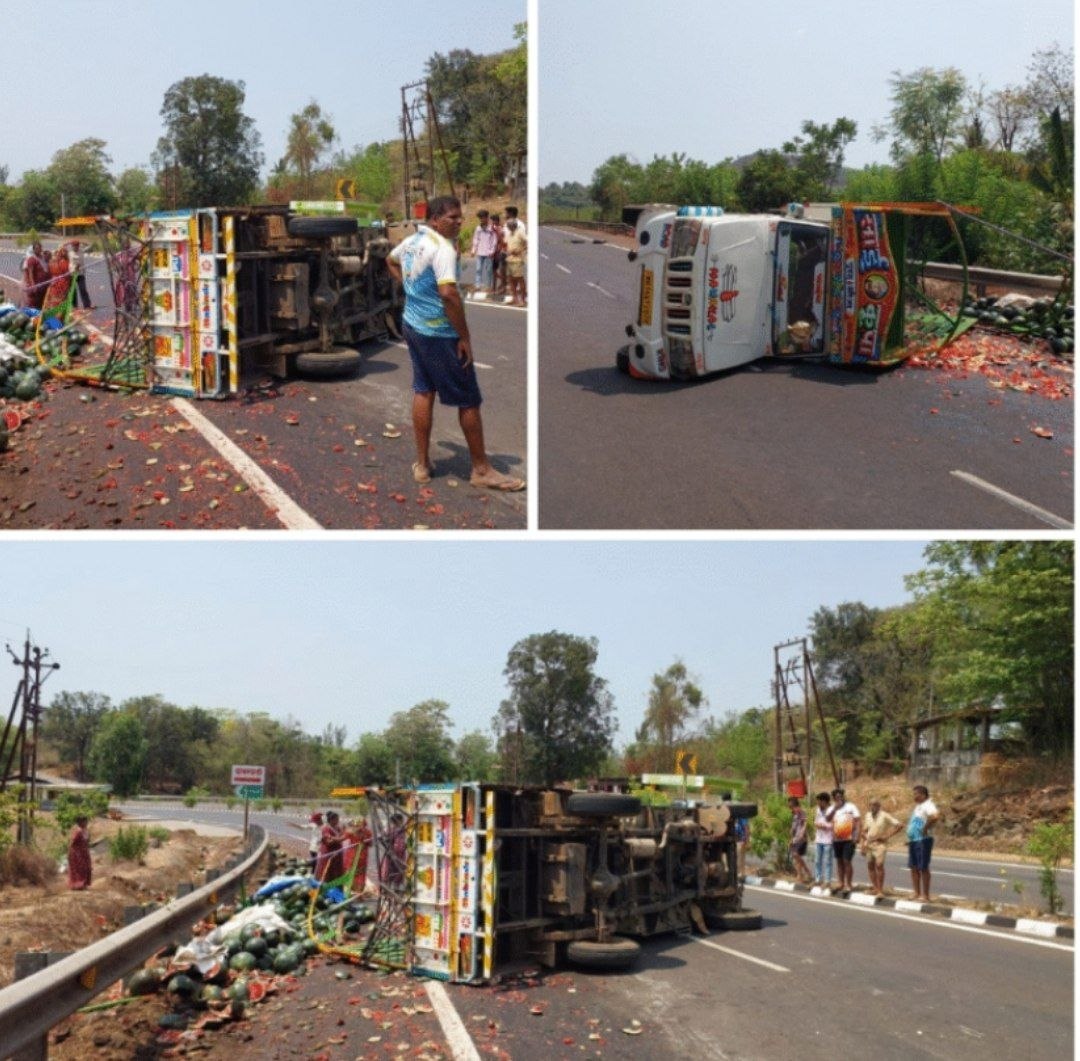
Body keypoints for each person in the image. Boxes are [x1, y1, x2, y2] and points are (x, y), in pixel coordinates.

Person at [386, 195, 525, 492]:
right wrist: (464, 337)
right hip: (439, 333)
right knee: (468, 399)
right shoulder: (441, 249)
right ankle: (481, 469)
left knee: (424, 390)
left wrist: (408, 289)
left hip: (412, 324)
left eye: (461, 217)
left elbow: (390, 259)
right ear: (436, 219)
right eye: (453, 217)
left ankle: (422, 465)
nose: (460, 221)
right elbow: (449, 294)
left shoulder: (412, 242)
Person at [860, 797, 902, 896]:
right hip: (869, 844)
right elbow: (864, 830)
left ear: (879, 806)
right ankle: (875, 888)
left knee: (879, 865)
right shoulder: (868, 815)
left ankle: (880, 890)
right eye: (870, 805)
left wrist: (887, 836)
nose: (872, 807)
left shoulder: (884, 815)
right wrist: (862, 844)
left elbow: (899, 825)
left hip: (880, 845)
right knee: (870, 866)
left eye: (875, 805)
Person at [907, 784, 940, 902]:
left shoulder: (928, 805)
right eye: (914, 794)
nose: (914, 796)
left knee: (923, 867)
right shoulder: (918, 807)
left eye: (916, 794)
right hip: (914, 841)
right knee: (913, 867)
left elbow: (935, 817)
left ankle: (925, 895)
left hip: (923, 840)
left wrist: (925, 828)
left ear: (923, 795)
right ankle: (916, 893)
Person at [826, 787, 860, 897]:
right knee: (839, 862)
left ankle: (848, 884)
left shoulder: (851, 807)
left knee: (847, 861)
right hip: (837, 840)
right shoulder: (832, 808)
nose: (839, 798)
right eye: (836, 797)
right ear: (834, 798)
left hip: (849, 839)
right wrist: (835, 809)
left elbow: (858, 821)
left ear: (843, 796)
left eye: (840, 796)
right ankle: (841, 883)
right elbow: (827, 819)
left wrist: (857, 835)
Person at [469, 210, 498, 297]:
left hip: (489, 253)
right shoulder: (478, 228)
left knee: (489, 270)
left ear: (487, 217)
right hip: (480, 252)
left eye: (483, 217)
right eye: (480, 218)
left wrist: (492, 251)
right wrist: (473, 250)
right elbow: (476, 239)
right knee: (478, 269)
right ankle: (478, 285)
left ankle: (489, 286)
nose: (481, 219)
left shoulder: (491, 228)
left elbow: (494, 240)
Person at [502, 214, 527, 307]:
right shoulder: (509, 234)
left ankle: (523, 300)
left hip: (518, 259)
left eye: (509, 225)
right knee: (511, 280)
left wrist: (520, 250)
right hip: (509, 259)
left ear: (513, 225)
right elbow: (505, 243)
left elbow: (527, 242)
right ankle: (514, 298)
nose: (508, 227)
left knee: (520, 279)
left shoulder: (520, 232)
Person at [315, 810, 346, 883]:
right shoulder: (326, 829)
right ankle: (326, 888)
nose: (338, 821)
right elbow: (328, 842)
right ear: (331, 820)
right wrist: (338, 839)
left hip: (337, 855)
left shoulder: (338, 828)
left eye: (338, 819)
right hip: (329, 854)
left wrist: (341, 835)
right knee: (328, 872)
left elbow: (342, 835)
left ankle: (336, 888)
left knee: (337, 872)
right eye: (336, 819)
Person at [788, 795, 812, 884]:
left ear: (795, 805)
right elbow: (793, 828)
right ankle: (800, 876)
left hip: (801, 838)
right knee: (795, 857)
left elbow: (805, 823)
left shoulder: (802, 812)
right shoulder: (794, 814)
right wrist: (791, 838)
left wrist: (802, 833)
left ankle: (806, 871)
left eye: (791, 806)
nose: (790, 808)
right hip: (795, 839)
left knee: (796, 854)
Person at [813, 791, 834, 890]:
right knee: (817, 860)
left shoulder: (832, 810)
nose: (818, 804)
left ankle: (827, 881)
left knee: (828, 861)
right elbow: (815, 821)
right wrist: (817, 824)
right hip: (819, 839)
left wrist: (824, 826)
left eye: (819, 802)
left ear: (825, 801)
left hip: (828, 840)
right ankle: (818, 879)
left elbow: (834, 824)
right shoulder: (818, 810)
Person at [41, 247, 72, 315]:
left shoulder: (52, 262)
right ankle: (57, 315)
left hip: (54, 283)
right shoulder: (64, 262)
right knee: (59, 300)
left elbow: (49, 271)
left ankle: (49, 314)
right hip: (61, 284)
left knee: (52, 300)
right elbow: (67, 274)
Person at [67, 815, 92, 890]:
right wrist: (69, 853)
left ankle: (83, 884)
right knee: (78, 869)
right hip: (77, 854)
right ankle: (77, 885)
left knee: (86, 868)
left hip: (84, 853)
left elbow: (87, 842)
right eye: (85, 821)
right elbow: (72, 842)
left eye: (86, 821)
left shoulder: (85, 831)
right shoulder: (78, 831)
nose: (86, 823)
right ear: (80, 822)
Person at [21, 242, 48, 310]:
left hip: (43, 286)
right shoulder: (32, 259)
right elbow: (31, 273)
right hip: (36, 286)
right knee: (33, 304)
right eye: (37, 248)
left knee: (42, 303)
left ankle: (39, 318)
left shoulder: (42, 258)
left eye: (40, 248)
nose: (39, 250)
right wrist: (33, 285)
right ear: (34, 250)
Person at [69, 240, 94, 310]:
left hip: (80, 274)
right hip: (72, 274)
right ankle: (74, 306)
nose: (75, 247)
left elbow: (90, 245)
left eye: (77, 246)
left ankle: (87, 305)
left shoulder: (81, 251)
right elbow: (60, 248)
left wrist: (82, 242)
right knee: (73, 291)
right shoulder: (69, 253)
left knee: (83, 289)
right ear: (72, 246)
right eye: (74, 246)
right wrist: (67, 243)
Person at [489, 213, 506, 298]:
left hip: (499, 252)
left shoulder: (500, 229)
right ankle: (494, 287)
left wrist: (495, 231)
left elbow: (500, 240)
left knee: (499, 270)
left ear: (496, 221)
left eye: (492, 220)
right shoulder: (492, 228)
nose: (491, 222)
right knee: (493, 270)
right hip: (494, 252)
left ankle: (503, 284)